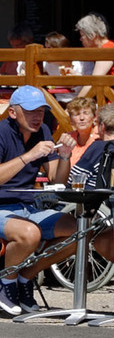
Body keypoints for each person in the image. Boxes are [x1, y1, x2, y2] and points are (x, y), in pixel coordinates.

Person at [0, 85, 72, 315]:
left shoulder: (43, 132)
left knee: (80, 230)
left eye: (41, 111)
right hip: (2, 207)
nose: (37, 116)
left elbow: (57, 180)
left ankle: (26, 276)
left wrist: (65, 157)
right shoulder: (1, 132)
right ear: (13, 112)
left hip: (28, 207)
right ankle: (6, 283)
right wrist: (29, 156)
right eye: (31, 111)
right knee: (30, 233)